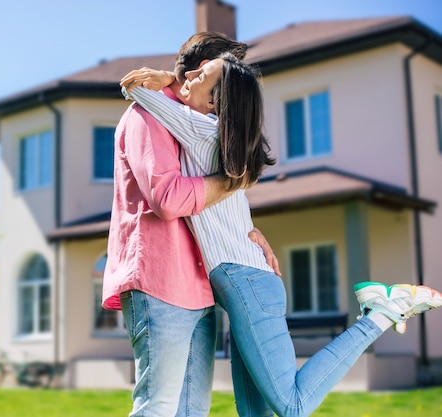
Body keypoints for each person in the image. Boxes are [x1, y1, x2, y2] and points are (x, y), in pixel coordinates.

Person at [120, 54, 442, 417]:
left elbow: (133, 88)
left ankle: (380, 314)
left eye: (200, 76)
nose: (188, 77)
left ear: (214, 103)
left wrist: (167, 77)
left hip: (247, 284)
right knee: (254, 413)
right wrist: (185, 80)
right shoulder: (220, 137)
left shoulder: (201, 130)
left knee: (293, 404)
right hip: (245, 284)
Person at [102, 32, 280, 417]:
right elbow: (167, 199)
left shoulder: (200, 125)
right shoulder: (147, 114)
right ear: (200, 73)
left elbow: (220, 205)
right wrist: (235, 180)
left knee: (191, 411)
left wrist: (251, 236)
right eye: (222, 79)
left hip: (201, 290)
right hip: (160, 283)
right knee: (159, 407)